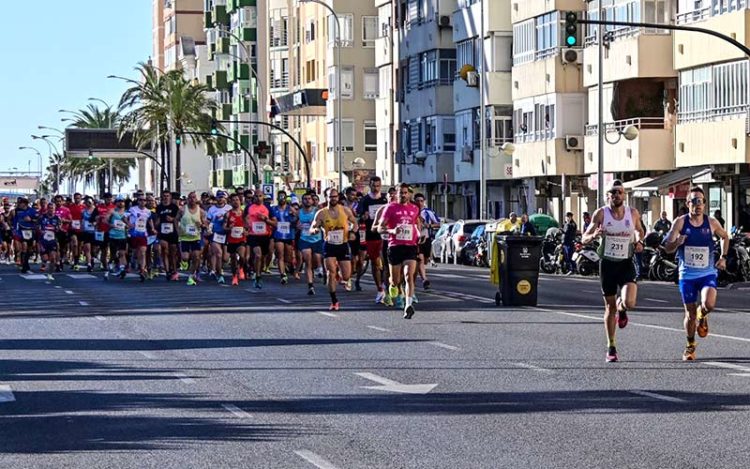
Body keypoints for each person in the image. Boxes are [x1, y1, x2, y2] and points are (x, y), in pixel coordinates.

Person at [582, 179, 645, 363]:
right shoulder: (601, 214)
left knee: (630, 301)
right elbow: (585, 237)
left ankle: (622, 308)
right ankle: (611, 346)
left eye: (620, 192)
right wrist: (594, 235)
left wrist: (640, 241)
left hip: (626, 261)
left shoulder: (632, 213)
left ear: (624, 195)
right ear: (607, 196)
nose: (616, 195)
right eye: (613, 192)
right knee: (608, 307)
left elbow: (640, 231)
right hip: (608, 264)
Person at [663, 187, 729, 361]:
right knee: (689, 314)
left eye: (701, 201)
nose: (698, 205)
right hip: (687, 275)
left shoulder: (712, 222)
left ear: (704, 204)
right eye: (694, 201)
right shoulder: (680, 222)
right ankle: (690, 345)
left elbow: (725, 237)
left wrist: (723, 257)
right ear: (688, 204)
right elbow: (668, 248)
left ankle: (703, 314)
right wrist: (677, 242)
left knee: (709, 304)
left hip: (707, 273)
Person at [376, 183, 423, 319]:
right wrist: (392, 230)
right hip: (395, 246)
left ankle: (408, 305)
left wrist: (419, 234)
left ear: (408, 194)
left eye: (405, 192)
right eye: (400, 193)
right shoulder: (390, 208)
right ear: (395, 194)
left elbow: (416, 224)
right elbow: (380, 228)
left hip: (410, 246)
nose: (403, 195)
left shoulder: (414, 208)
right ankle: (392, 285)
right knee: (395, 280)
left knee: (409, 276)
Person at [310, 188, 357, 311]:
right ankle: (334, 301)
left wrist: (352, 232)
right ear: (326, 198)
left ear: (338, 197)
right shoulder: (321, 213)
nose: (333, 199)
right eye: (330, 197)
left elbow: (355, 223)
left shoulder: (345, 210)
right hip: (329, 245)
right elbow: (312, 227)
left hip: (343, 244)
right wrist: (314, 230)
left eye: (335, 196)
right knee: (330, 272)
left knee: (347, 275)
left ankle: (342, 277)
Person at [357, 177, 389, 303]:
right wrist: (363, 216)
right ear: (370, 185)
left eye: (378, 185)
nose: (376, 188)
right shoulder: (365, 200)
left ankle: (388, 285)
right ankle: (380, 289)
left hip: (385, 235)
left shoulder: (385, 199)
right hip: (371, 235)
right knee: (375, 263)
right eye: (374, 186)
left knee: (386, 263)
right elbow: (359, 215)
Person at [245, 189, 275, 289]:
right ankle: (257, 275)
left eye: (260, 196)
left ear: (263, 197)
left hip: (265, 235)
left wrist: (265, 219)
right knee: (257, 255)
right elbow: (244, 219)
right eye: (256, 196)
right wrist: (246, 226)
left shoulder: (268, 208)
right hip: (253, 235)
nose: (258, 198)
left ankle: (259, 273)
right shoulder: (249, 207)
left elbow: (275, 224)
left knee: (262, 257)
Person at [177, 192, 207, 286]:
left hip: (196, 237)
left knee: (197, 256)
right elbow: (176, 220)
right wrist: (178, 230)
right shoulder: (182, 209)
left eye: (194, 198)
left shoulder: (201, 211)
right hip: (185, 237)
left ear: (196, 199)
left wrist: (202, 225)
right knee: (185, 258)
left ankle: (191, 275)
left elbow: (206, 224)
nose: (192, 199)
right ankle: (188, 264)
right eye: (190, 198)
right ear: (187, 199)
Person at [297, 192, 323, 295]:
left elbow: (323, 223)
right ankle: (310, 285)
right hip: (305, 239)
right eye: (305, 199)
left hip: (316, 239)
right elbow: (296, 223)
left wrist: (318, 227)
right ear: (302, 201)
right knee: (308, 261)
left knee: (316, 259)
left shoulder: (317, 211)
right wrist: (298, 226)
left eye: (309, 199)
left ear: (313, 201)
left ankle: (319, 269)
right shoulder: (299, 212)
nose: (307, 200)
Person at [270, 190, 297, 285]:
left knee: (288, 256)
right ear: (277, 198)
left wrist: (293, 215)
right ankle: (283, 275)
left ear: (286, 198)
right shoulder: (273, 209)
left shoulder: (290, 208)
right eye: (280, 197)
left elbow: (296, 218)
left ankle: (288, 267)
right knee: (280, 254)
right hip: (278, 234)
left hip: (289, 235)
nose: (282, 199)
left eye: (283, 197)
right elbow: (271, 220)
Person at [415, 193, 439, 290]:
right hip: (416, 239)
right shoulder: (412, 210)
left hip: (426, 238)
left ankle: (412, 276)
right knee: (419, 259)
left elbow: (438, 223)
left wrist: (430, 226)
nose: (419, 203)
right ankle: (424, 279)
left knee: (424, 261)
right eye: (417, 201)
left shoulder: (428, 212)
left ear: (424, 201)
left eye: (421, 201)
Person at [128, 195, 154, 282]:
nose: (142, 201)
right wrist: (128, 224)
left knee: (143, 252)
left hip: (143, 234)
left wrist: (153, 228)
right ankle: (136, 264)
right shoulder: (133, 209)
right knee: (136, 252)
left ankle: (142, 270)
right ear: (138, 201)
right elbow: (123, 216)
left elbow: (150, 220)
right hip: (134, 234)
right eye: (140, 200)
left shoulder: (148, 211)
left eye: (144, 200)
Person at [207, 191, 231, 283]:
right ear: (216, 198)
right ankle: (216, 271)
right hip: (215, 234)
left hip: (226, 234)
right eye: (219, 197)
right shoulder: (212, 209)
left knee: (225, 258)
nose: (220, 199)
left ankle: (218, 268)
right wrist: (208, 229)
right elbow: (208, 221)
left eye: (222, 197)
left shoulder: (229, 208)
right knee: (217, 253)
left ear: (225, 199)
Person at [156, 190, 180, 281]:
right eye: (164, 196)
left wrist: (172, 219)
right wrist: (156, 225)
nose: (166, 197)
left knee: (173, 253)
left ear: (170, 197)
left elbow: (178, 219)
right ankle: (167, 271)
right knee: (165, 250)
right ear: (162, 197)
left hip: (172, 232)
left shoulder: (174, 207)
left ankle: (174, 270)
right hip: (162, 232)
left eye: (167, 196)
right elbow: (157, 218)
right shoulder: (159, 207)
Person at [224, 194, 247, 286]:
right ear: (230, 202)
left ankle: (241, 268)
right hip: (231, 239)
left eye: (237, 199)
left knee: (242, 256)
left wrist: (246, 231)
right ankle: (234, 276)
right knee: (233, 258)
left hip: (242, 238)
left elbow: (248, 225)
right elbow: (224, 227)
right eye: (233, 200)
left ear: (240, 201)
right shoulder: (228, 214)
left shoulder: (244, 213)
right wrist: (229, 228)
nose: (236, 201)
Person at [106, 195, 130, 279]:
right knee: (113, 254)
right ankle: (113, 265)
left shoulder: (127, 212)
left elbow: (129, 224)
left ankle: (122, 269)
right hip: (113, 235)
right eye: (119, 201)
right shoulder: (112, 211)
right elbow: (105, 220)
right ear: (116, 203)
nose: (121, 203)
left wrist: (128, 226)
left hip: (123, 236)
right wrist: (110, 225)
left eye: (122, 201)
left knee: (122, 253)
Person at [38, 202, 62, 281]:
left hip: (52, 240)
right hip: (43, 240)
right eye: (49, 208)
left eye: (52, 208)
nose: (51, 210)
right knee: (45, 258)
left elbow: (59, 228)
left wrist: (57, 229)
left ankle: (50, 274)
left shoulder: (57, 218)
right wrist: (40, 230)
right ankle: (44, 263)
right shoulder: (42, 217)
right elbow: (38, 226)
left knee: (53, 258)